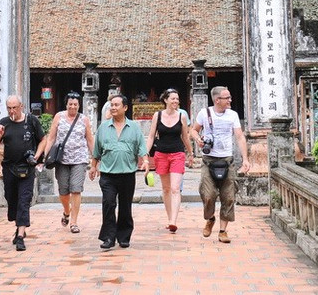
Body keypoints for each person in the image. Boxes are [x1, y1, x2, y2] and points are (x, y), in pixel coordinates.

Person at [89, 94, 149, 251]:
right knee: (108, 204)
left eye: (116, 105)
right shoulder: (103, 128)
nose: (113, 108)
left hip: (127, 174)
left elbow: (142, 147)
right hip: (108, 174)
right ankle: (108, 237)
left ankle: (123, 236)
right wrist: (93, 166)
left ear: (125, 108)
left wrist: (146, 161)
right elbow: (97, 150)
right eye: (111, 105)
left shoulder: (134, 128)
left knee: (125, 206)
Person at [192, 86, 250, 244]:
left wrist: (245, 159)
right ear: (217, 100)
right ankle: (210, 218)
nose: (230, 100)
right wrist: (198, 139)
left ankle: (223, 230)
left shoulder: (233, 115)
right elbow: (193, 130)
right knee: (208, 194)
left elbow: (239, 136)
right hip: (208, 160)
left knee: (229, 196)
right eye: (227, 98)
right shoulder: (205, 113)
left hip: (227, 160)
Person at [0, 95, 46, 251]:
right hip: (9, 168)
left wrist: (36, 155)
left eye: (15, 107)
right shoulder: (3, 123)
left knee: (24, 200)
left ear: (21, 106)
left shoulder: (32, 121)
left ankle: (20, 236)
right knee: (11, 198)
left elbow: (43, 139)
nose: (12, 111)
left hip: (27, 167)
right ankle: (18, 225)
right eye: (9, 108)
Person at [42, 91, 94, 234]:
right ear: (66, 104)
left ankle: (74, 222)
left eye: (75, 104)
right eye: (70, 104)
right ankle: (66, 211)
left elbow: (89, 139)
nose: (73, 107)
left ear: (79, 105)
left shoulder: (84, 119)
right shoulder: (59, 117)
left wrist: (95, 159)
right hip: (61, 159)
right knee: (64, 190)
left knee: (76, 189)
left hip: (80, 159)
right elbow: (51, 137)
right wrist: (44, 156)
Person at [145, 88, 193, 232]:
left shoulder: (182, 116)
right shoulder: (157, 115)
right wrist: (145, 155)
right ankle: (169, 217)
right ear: (165, 100)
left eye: (177, 99)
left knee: (175, 188)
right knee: (166, 189)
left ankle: (173, 220)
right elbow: (151, 136)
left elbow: (185, 137)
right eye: (173, 99)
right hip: (161, 154)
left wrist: (190, 153)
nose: (176, 101)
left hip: (177, 154)